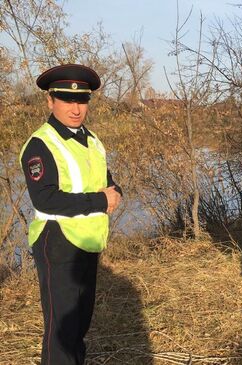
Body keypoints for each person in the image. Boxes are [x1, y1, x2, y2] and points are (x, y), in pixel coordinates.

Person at [20, 64, 123, 365]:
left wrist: (114, 192)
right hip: (58, 242)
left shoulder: (92, 141)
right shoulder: (41, 144)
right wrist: (101, 201)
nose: (75, 108)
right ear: (50, 101)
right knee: (61, 331)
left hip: (88, 241)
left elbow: (106, 181)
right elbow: (46, 198)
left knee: (79, 324)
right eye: (67, 100)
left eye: (82, 101)